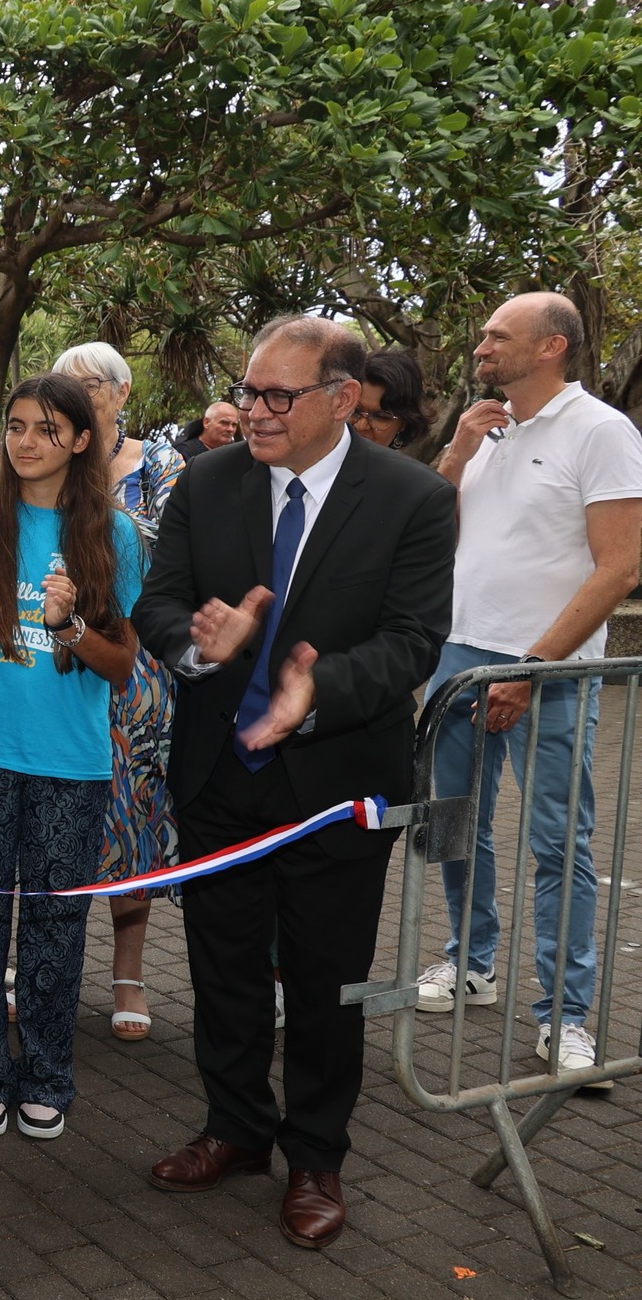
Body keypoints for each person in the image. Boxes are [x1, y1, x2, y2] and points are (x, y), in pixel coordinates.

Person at [132, 315, 455, 1250]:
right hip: (216, 767)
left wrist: (313, 696)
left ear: (341, 398)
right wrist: (195, 644)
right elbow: (158, 599)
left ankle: (317, 1155)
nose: (254, 411)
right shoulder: (207, 480)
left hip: (335, 779)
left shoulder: (414, 499)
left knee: (323, 977)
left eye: (278, 395)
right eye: (248, 390)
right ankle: (234, 1128)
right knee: (222, 965)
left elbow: (411, 641)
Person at [420, 292, 642, 1081]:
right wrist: (454, 454)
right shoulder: (484, 426)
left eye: (496, 336)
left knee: (559, 846)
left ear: (551, 346)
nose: (481, 345)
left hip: (546, 671)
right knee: (448, 822)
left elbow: (621, 564)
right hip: (456, 656)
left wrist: (531, 666)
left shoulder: (602, 431)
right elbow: (431, 538)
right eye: (481, 334)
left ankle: (566, 1016)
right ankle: (470, 961)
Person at [0, 374, 141, 1141]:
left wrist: (73, 623)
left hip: (70, 763)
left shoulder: (113, 536)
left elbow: (121, 665)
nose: (23, 441)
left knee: (56, 924)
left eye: (45, 429)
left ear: (81, 440)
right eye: (15, 426)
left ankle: (48, 1074)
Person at [55, 342, 187, 1042]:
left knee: (130, 812)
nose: (76, 392)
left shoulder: (160, 465)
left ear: (122, 391)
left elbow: (173, 557)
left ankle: (129, 972)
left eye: (89, 383)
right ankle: (40, 962)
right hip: (55, 661)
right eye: (65, 383)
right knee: (51, 807)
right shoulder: (48, 455)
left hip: (135, 666)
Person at [352, 351, 434, 452]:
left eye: (380, 417)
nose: (361, 426)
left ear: (403, 424)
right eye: (355, 411)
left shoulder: (401, 467)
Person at [174, 400, 241, 459]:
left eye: (234, 425)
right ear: (207, 423)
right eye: (224, 423)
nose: (230, 429)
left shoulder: (235, 453)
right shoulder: (185, 452)